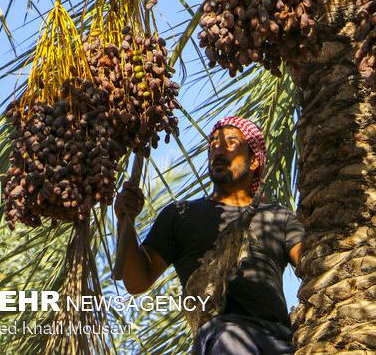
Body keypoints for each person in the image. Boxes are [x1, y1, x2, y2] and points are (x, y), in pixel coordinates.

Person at [114, 116, 305, 354]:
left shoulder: (279, 216)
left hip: (280, 340)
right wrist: (125, 221)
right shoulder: (180, 215)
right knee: (228, 335)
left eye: (231, 143)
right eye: (213, 143)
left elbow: (314, 266)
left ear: (254, 161)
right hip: (221, 339)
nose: (218, 149)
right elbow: (136, 281)